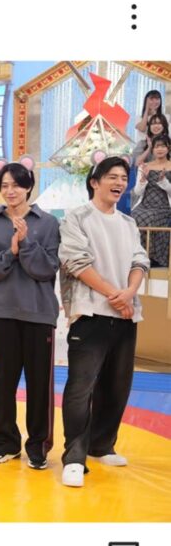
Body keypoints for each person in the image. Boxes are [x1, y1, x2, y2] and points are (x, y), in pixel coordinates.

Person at [59, 156, 149, 487]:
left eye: (123, 177)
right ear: (94, 182)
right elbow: (76, 262)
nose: (119, 182)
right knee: (80, 386)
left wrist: (130, 293)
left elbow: (140, 260)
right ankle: (74, 457)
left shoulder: (128, 223)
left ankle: (101, 445)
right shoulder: (76, 217)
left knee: (117, 385)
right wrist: (115, 294)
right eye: (112, 176)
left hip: (125, 314)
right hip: (90, 312)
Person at [0, 161, 60, 469]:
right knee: (4, 382)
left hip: (39, 313)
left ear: (29, 187)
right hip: (3, 312)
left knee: (40, 384)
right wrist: (10, 252)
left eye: (17, 185)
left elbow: (47, 268)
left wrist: (26, 243)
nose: (11, 191)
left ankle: (38, 446)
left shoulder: (48, 223)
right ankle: (5, 442)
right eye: (5, 185)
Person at [132, 135, 171, 267]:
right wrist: (143, 180)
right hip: (145, 203)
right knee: (135, 216)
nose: (160, 149)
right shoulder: (145, 166)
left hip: (163, 206)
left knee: (149, 218)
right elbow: (137, 192)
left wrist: (164, 182)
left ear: (168, 148)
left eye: (163, 146)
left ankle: (152, 257)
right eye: (156, 146)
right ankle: (137, 255)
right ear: (152, 149)